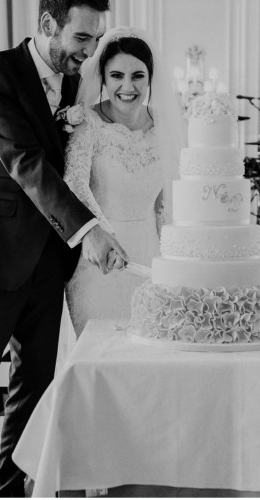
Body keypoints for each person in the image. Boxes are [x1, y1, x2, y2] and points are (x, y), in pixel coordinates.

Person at [0, 0, 127, 497]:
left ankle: (10, 487)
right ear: (48, 24)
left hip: (48, 260)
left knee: (33, 387)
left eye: (94, 40)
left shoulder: (74, 83)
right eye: (81, 39)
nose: (87, 54)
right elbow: (25, 162)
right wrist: (88, 230)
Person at [64, 28, 185, 337]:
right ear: (102, 77)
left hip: (150, 260)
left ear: (150, 78)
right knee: (98, 352)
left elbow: (165, 202)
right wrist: (100, 234)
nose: (127, 87)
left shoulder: (166, 126)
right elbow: (74, 185)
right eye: (116, 75)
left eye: (137, 76)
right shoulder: (87, 122)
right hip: (97, 261)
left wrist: (173, 259)